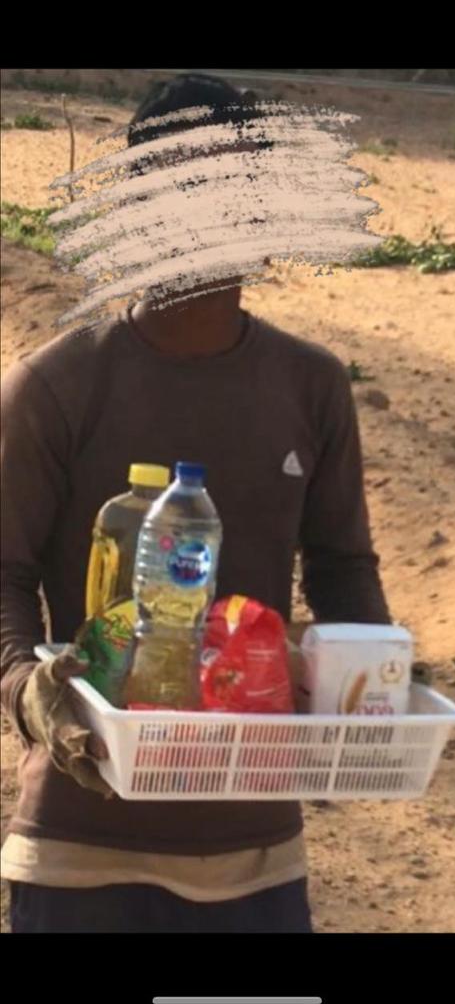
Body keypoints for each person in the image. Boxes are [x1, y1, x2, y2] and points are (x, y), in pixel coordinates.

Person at [0, 72, 390, 934]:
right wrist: (31, 691)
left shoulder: (312, 387)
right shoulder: (56, 388)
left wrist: (375, 688)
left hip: (256, 855)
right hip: (80, 846)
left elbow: (343, 569)